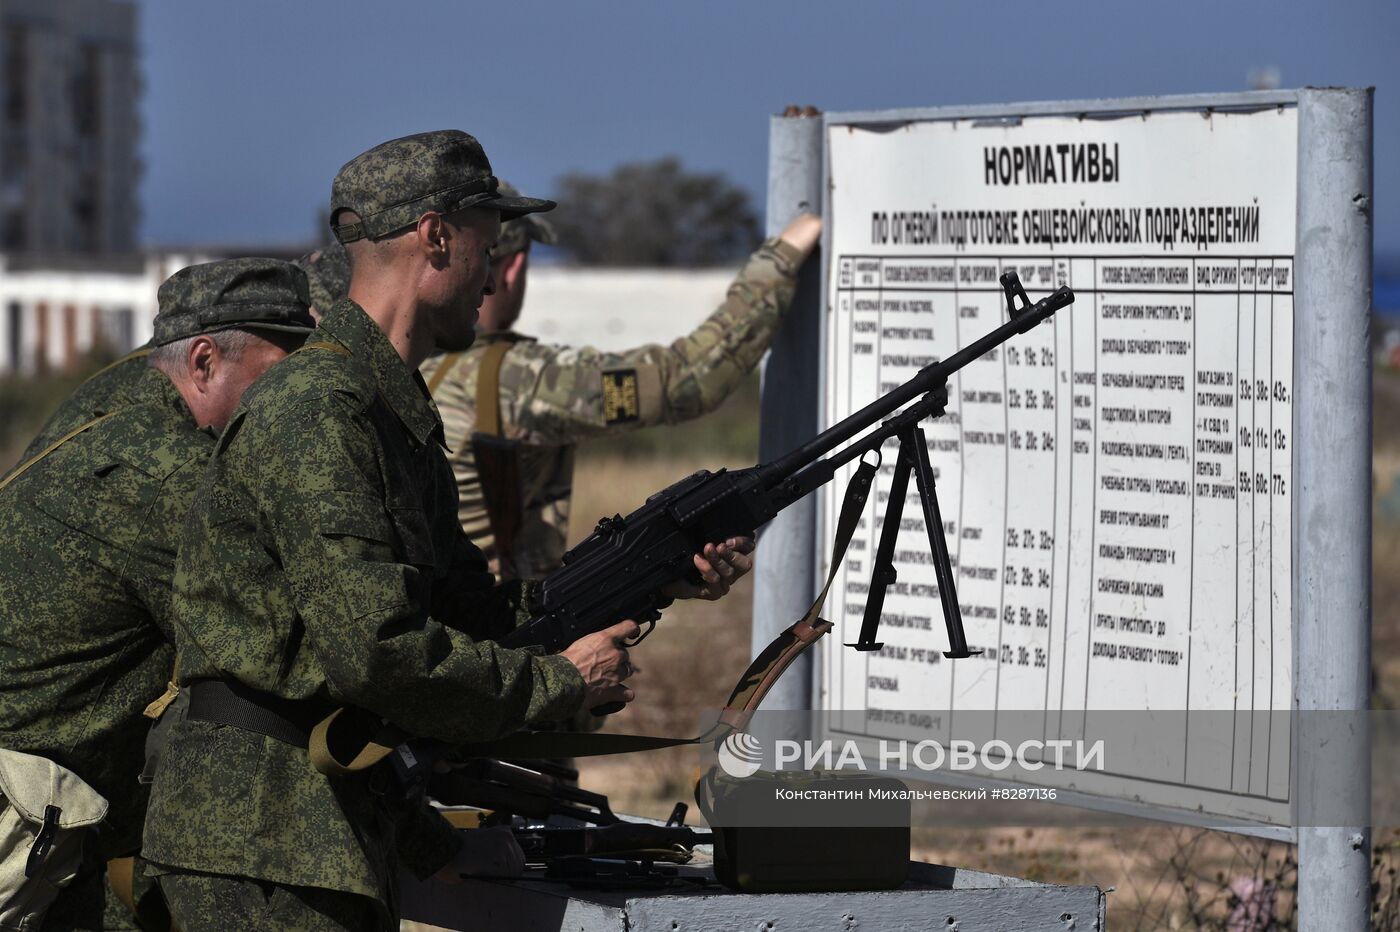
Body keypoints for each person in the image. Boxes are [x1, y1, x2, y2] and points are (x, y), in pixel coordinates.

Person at [140, 130, 751, 931]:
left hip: (309, 825)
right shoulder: (323, 409)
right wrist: (560, 683)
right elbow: (379, 652)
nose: (495, 277)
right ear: (435, 237)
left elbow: (473, 614)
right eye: (487, 248)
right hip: (256, 839)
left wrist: (648, 577)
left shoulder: (387, 407)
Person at [0, 258, 318, 930]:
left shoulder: (110, 407)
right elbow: (300, 643)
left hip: (58, 810)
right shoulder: (167, 469)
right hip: (25, 814)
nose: (294, 409)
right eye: (278, 379)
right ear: (202, 361)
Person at [416, 194, 820, 578]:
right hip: (501, 624)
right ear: (514, 267)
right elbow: (689, 378)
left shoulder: (418, 363)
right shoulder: (513, 378)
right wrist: (780, 257)